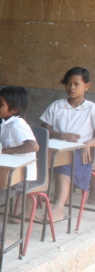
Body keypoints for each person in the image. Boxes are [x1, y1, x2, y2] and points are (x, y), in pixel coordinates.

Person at [40, 67, 95, 221]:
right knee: (36, 164)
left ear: (87, 86)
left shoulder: (91, 109)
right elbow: (45, 130)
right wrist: (61, 135)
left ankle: (58, 207)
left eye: (76, 84)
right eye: (68, 84)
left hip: (79, 152)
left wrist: (88, 144)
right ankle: (30, 205)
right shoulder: (57, 105)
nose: (71, 87)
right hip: (54, 148)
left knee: (63, 167)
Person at [0, 85, 38, 250]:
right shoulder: (7, 123)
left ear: (14, 109)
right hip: (9, 174)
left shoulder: (17, 124)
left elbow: (33, 146)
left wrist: (5, 150)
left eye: (1, 104)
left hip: (20, 178)